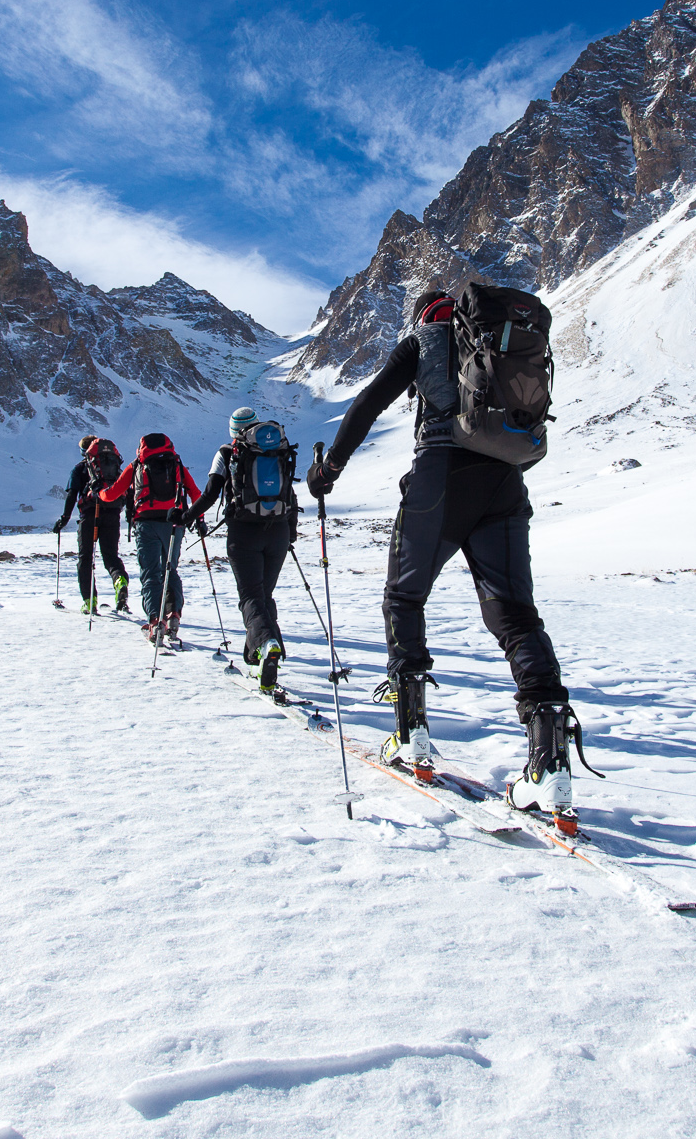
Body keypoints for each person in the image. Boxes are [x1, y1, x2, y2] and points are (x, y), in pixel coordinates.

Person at [305, 289, 583, 831]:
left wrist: (329, 470)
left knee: (404, 597)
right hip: (505, 482)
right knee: (517, 617)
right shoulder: (498, 344)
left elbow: (366, 404)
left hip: (439, 479)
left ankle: (411, 733)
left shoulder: (425, 340)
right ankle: (549, 762)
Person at [183, 407, 300, 692]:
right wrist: (291, 533)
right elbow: (291, 493)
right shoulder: (277, 448)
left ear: (234, 431)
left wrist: (186, 516)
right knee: (264, 595)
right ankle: (255, 655)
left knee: (250, 596)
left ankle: (266, 644)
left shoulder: (227, 453)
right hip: (279, 531)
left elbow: (211, 492)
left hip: (243, 532)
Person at [98, 431, 200, 642]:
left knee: (151, 573)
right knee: (170, 569)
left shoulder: (138, 464)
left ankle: (155, 621)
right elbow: (195, 493)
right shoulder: (176, 463)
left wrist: (98, 492)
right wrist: (196, 518)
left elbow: (112, 494)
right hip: (174, 523)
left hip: (146, 524)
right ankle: (174, 616)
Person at [52, 435, 128, 615]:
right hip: (112, 513)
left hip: (89, 514)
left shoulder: (80, 468)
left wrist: (64, 518)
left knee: (85, 557)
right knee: (111, 556)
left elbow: (72, 495)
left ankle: (89, 600)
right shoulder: (113, 468)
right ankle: (120, 582)